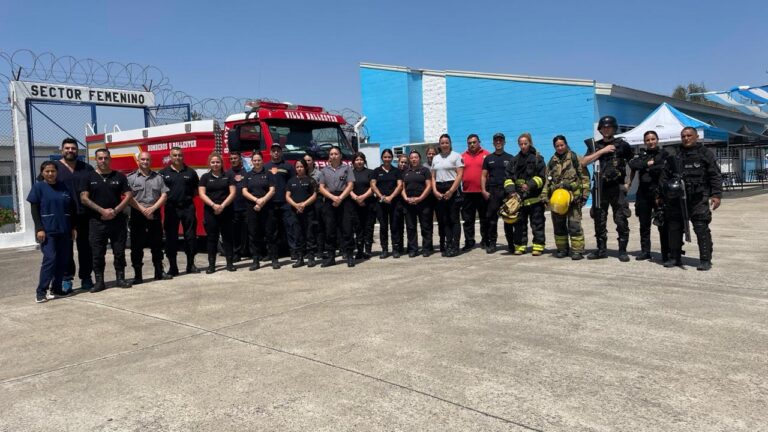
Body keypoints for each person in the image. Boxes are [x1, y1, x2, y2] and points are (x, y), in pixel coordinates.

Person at [660, 127, 722, 270]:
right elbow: (664, 176)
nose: (686, 138)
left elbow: (715, 175)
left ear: (696, 137)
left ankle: (705, 260)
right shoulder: (674, 153)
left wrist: (716, 195)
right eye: (683, 136)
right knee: (674, 227)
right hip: (676, 199)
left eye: (689, 136)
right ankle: (675, 258)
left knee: (701, 227)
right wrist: (662, 194)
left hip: (698, 198)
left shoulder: (705, 153)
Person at [79, 148, 133, 292]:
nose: (103, 161)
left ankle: (120, 279)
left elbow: (128, 195)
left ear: (110, 159)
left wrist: (115, 211)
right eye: (100, 158)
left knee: (119, 252)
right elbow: (84, 198)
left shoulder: (119, 176)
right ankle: (99, 282)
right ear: (95, 160)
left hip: (117, 221)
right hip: (97, 221)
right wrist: (102, 211)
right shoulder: (88, 177)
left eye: (106, 158)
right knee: (97, 253)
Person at [28, 161, 76, 302]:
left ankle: (56, 288)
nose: (50, 174)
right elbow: (34, 209)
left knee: (62, 260)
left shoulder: (64, 187)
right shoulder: (39, 187)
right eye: (47, 171)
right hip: (48, 230)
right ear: (42, 173)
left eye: (53, 171)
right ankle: (41, 292)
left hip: (65, 230)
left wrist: (73, 227)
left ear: (57, 172)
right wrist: (39, 228)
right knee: (50, 259)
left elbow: (71, 209)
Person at [54, 137, 94, 292]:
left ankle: (86, 278)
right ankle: (66, 279)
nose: (70, 151)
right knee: (66, 249)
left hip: (84, 214)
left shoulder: (86, 168)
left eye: (73, 148)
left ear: (77, 150)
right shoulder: (54, 167)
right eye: (67, 148)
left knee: (85, 247)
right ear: (61, 150)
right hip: (64, 215)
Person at [127, 152, 172, 284]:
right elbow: (129, 197)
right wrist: (143, 209)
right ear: (138, 161)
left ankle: (159, 272)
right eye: (143, 159)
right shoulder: (131, 178)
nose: (145, 162)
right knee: (136, 246)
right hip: (137, 214)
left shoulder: (158, 177)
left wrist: (152, 209)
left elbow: (164, 195)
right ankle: (138, 275)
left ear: (150, 161)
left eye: (147, 159)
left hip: (154, 214)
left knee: (157, 245)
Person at [542, 135, 590, 260]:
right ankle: (562, 249)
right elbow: (547, 180)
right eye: (557, 146)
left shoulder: (575, 158)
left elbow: (584, 177)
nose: (560, 147)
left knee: (574, 225)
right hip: (557, 199)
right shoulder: (552, 161)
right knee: (558, 225)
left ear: (566, 144)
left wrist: (584, 195)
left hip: (574, 198)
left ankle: (577, 250)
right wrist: (545, 197)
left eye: (562, 145)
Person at [628, 131, 669, 262]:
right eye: (648, 140)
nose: (651, 142)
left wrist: (649, 164)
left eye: (653, 139)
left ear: (657, 140)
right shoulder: (642, 155)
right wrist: (648, 164)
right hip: (643, 193)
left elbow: (662, 165)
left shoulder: (664, 153)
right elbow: (633, 164)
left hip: (659, 193)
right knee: (644, 225)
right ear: (645, 142)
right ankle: (645, 251)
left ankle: (666, 254)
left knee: (662, 223)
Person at [504, 133, 547, 256]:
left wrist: (530, 185)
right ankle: (520, 246)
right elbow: (508, 178)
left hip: (535, 199)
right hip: (519, 199)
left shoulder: (538, 159)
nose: (523, 146)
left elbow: (541, 178)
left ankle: (538, 246)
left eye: (525, 143)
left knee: (537, 224)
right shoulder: (514, 160)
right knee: (519, 225)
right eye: (521, 144)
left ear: (530, 143)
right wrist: (512, 191)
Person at [160, 147, 200, 275]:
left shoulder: (191, 172)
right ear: (170, 157)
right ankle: (173, 267)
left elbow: (195, 191)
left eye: (180, 155)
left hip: (188, 207)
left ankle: (191, 264)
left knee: (191, 236)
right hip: (171, 208)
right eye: (175, 155)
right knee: (171, 237)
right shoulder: (163, 173)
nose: (178, 157)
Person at [198, 152, 237, 274]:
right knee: (212, 238)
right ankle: (211, 265)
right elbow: (202, 194)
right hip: (211, 211)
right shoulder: (205, 177)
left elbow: (232, 193)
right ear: (209, 164)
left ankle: (230, 264)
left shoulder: (228, 176)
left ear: (221, 163)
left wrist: (222, 206)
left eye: (217, 162)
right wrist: (214, 205)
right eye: (213, 162)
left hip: (226, 211)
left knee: (228, 238)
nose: (215, 164)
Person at [318, 146, 356, 267]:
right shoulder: (324, 170)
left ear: (340, 155)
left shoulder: (347, 168)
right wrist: (333, 198)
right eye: (331, 154)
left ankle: (349, 255)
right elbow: (321, 187)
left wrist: (340, 198)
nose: (333, 156)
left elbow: (350, 185)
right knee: (330, 230)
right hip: (330, 200)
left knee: (347, 228)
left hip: (344, 199)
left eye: (336, 153)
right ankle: (331, 257)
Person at [481, 132, 516, 254]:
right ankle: (492, 244)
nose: (498, 142)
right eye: (496, 140)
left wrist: (513, 192)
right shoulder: (488, 159)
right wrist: (484, 190)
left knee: (509, 219)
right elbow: (484, 176)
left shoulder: (511, 158)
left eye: (500, 140)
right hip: (493, 192)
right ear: (493, 142)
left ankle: (511, 244)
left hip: (506, 192)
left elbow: (513, 177)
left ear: (504, 142)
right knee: (491, 220)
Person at [242, 152, 277, 270]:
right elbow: (244, 191)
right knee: (253, 235)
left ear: (262, 161)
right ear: (252, 162)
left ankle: (274, 259)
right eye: (255, 160)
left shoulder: (268, 174)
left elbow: (272, 190)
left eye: (259, 160)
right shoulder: (247, 175)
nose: (257, 162)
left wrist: (262, 201)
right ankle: (255, 260)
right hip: (252, 208)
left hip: (267, 207)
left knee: (270, 233)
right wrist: (257, 200)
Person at [431, 134, 464, 257]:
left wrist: (451, 191)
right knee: (444, 220)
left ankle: (455, 247)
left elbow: (460, 175)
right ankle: (448, 244)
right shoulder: (435, 158)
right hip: (439, 188)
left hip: (452, 188)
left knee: (454, 219)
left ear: (450, 143)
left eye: (446, 142)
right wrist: (435, 191)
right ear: (439, 144)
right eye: (442, 143)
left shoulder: (456, 156)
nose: (444, 145)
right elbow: (433, 177)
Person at [264, 144, 298, 258]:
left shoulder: (288, 166)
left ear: (281, 152)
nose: (276, 153)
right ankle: (272, 253)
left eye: (278, 151)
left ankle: (293, 251)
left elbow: (293, 183)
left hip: (285, 202)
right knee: (271, 230)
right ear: (270, 153)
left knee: (290, 228)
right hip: (270, 203)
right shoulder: (265, 167)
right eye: (273, 151)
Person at [371, 149, 403, 259]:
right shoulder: (376, 171)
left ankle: (395, 249)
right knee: (383, 227)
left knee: (394, 226)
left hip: (394, 202)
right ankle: (384, 249)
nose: (387, 159)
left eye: (389, 157)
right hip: (381, 203)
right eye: (385, 157)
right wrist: (381, 197)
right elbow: (373, 185)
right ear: (382, 158)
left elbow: (399, 185)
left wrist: (391, 197)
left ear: (392, 158)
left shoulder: (396, 171)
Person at [286, 159, 318, 267]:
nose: (299, 169)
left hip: (308, 211)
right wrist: (296, 205)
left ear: (305, 168)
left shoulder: (311, 180)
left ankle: (311, 257)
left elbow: (314, 195)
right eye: (297, 167)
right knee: (297, 234)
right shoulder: (291, 181)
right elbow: (287, 196)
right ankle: (300, 258)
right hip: (295, 212)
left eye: (301, 167)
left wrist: (304, 204)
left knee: (310, 234)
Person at [461, 134, 490, 251]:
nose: (472, 144)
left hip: (482, 192)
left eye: (474, 142)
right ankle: (469, 241)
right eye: (470, 143)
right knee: (468, 219)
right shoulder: (462, 156)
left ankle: (485, 240)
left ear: (479, 142)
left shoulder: (487, 155)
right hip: (467, 193)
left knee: (484, 218)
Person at [402, 150, 434, 257]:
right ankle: (413, 249)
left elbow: (429, 186)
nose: (414, 159)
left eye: (416, 157)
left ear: (419, 159)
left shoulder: (425, 170)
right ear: (409, 159)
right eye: (411, 158)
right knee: (411, 227)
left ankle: (427, 248)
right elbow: (402, 187)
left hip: (423, 202)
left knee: (426, 226)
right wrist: (406, 198)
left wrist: (420, 198)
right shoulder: (405, 171)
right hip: (409, 203)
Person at [350, 152, 376, 260]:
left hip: (369, 203)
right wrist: (357, 198)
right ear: (353, 162)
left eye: (361, 159)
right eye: (357, 160)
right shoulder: (350, 173)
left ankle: (368, 251)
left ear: (364, 161)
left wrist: (363, 197)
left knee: (368, 227)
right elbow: (348, 188)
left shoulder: (370, 172)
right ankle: (359, 251)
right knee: (358, 228)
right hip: (355, 204)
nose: (359, 162)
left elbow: (373, 187)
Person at [226, 151, 249, 262]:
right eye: (231, 159)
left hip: (246, 207)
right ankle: (236, 253)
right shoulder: (227, 174)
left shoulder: (247, 172)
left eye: (235, 158)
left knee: (246, 232)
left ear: (240, 159)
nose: (233, 160)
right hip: (233, 208)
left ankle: (247, 251)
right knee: (235, 233)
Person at [304, 152, 325, 255]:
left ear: (313, 161)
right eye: (306, 161)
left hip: (317, 201)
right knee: (308, 226)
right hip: (305, 202)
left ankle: (320, 250)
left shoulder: (319, 174)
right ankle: (309, 250)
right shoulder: (301, 173)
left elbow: (322, 188)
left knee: (318, 225)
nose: (307, 162)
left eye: (309, 160)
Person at [394, 153, 410, 257]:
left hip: (408, 202)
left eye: (405, 162)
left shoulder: (410, 172)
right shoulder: (394, 172)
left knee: (409, 225)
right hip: (396, 202)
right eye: (401, 162)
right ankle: (398, 247)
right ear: (398, 162)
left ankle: (410, 246)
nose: (403, 164)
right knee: (397, 226)